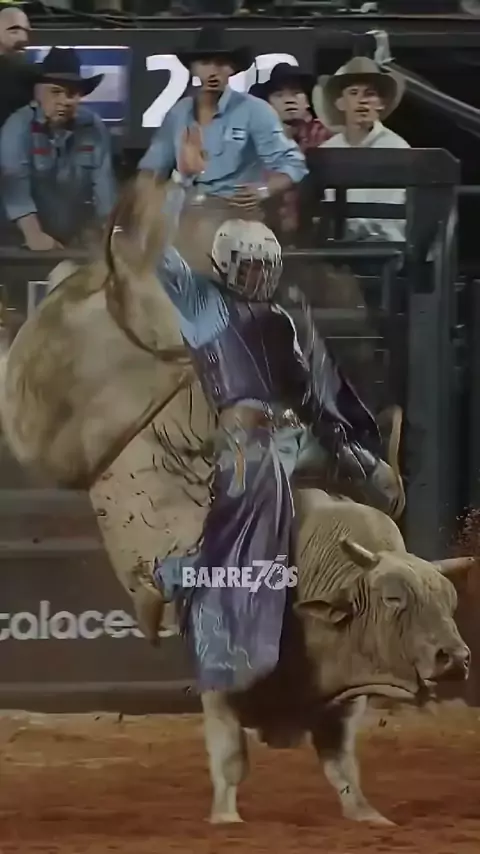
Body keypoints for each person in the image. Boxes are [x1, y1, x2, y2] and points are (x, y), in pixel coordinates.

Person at [146, 126, 405, 693]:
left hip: (273, 441)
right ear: (227, 265)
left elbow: (310, 399)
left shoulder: (280, 322)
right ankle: (175, 584)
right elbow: (156, 247)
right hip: (243, 445)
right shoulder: (203, 304)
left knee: (264, 544)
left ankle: (207, 611)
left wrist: (353, 452)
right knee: (247, 546)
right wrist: (183, 178)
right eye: (249, 267)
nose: (258, 277)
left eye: (264, 267)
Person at [138, 26, 307, 270]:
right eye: (205, 63)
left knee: (200, 241)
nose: (213, 71)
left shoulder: (254, 110)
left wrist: (263, 190)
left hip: (236, 216)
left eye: (221, 63)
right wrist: (140, 205)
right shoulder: (178, 113)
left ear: (232, 69)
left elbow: (293, 163)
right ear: (193, 68)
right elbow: (152, 168)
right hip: (183, 213)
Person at [0, 46, 116, 250]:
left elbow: (104, 187)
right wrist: (34, 235)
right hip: (16, 241)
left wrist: (111, 233)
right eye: (55, 92)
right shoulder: (17, 127)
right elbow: (16, 189)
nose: (65, 101)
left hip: (72, 238)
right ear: (38, 93)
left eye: (72, 94)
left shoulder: (93, 127)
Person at [313, 57, 410, 244]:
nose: (362, 100)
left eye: (370, 93)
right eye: (354, 93)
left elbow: (390, 218)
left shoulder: (396, 149)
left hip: (384, 247)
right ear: (340, 103)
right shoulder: (328, 151)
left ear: (381, 103)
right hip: (335, 247)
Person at [251, 62, 331, 241]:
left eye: (296, 93)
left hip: (317, 231)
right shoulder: (255, 141)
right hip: (264, 229)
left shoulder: (324, 135)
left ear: (307, 101)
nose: (289, 100)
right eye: (279, 95)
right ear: (267, 104)